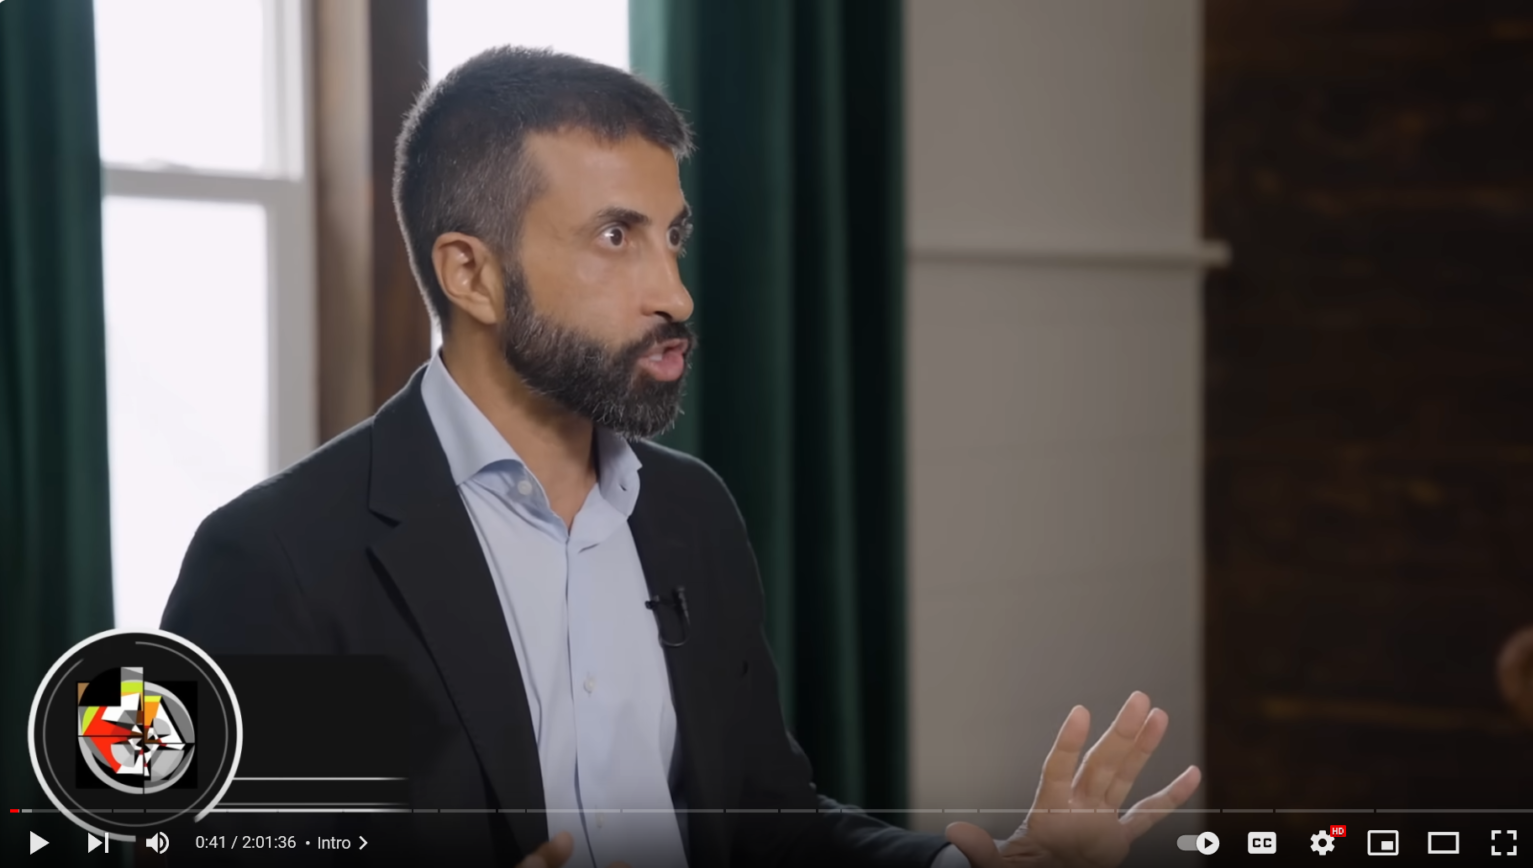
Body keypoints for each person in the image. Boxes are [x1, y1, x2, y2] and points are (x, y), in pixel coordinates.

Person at [162, 47, 1200, 868]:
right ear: (472, 275)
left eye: (673, 236)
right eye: (617, 237)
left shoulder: (690, 512)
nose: (676, 293)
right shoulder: (280, 563)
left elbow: (761, 817)